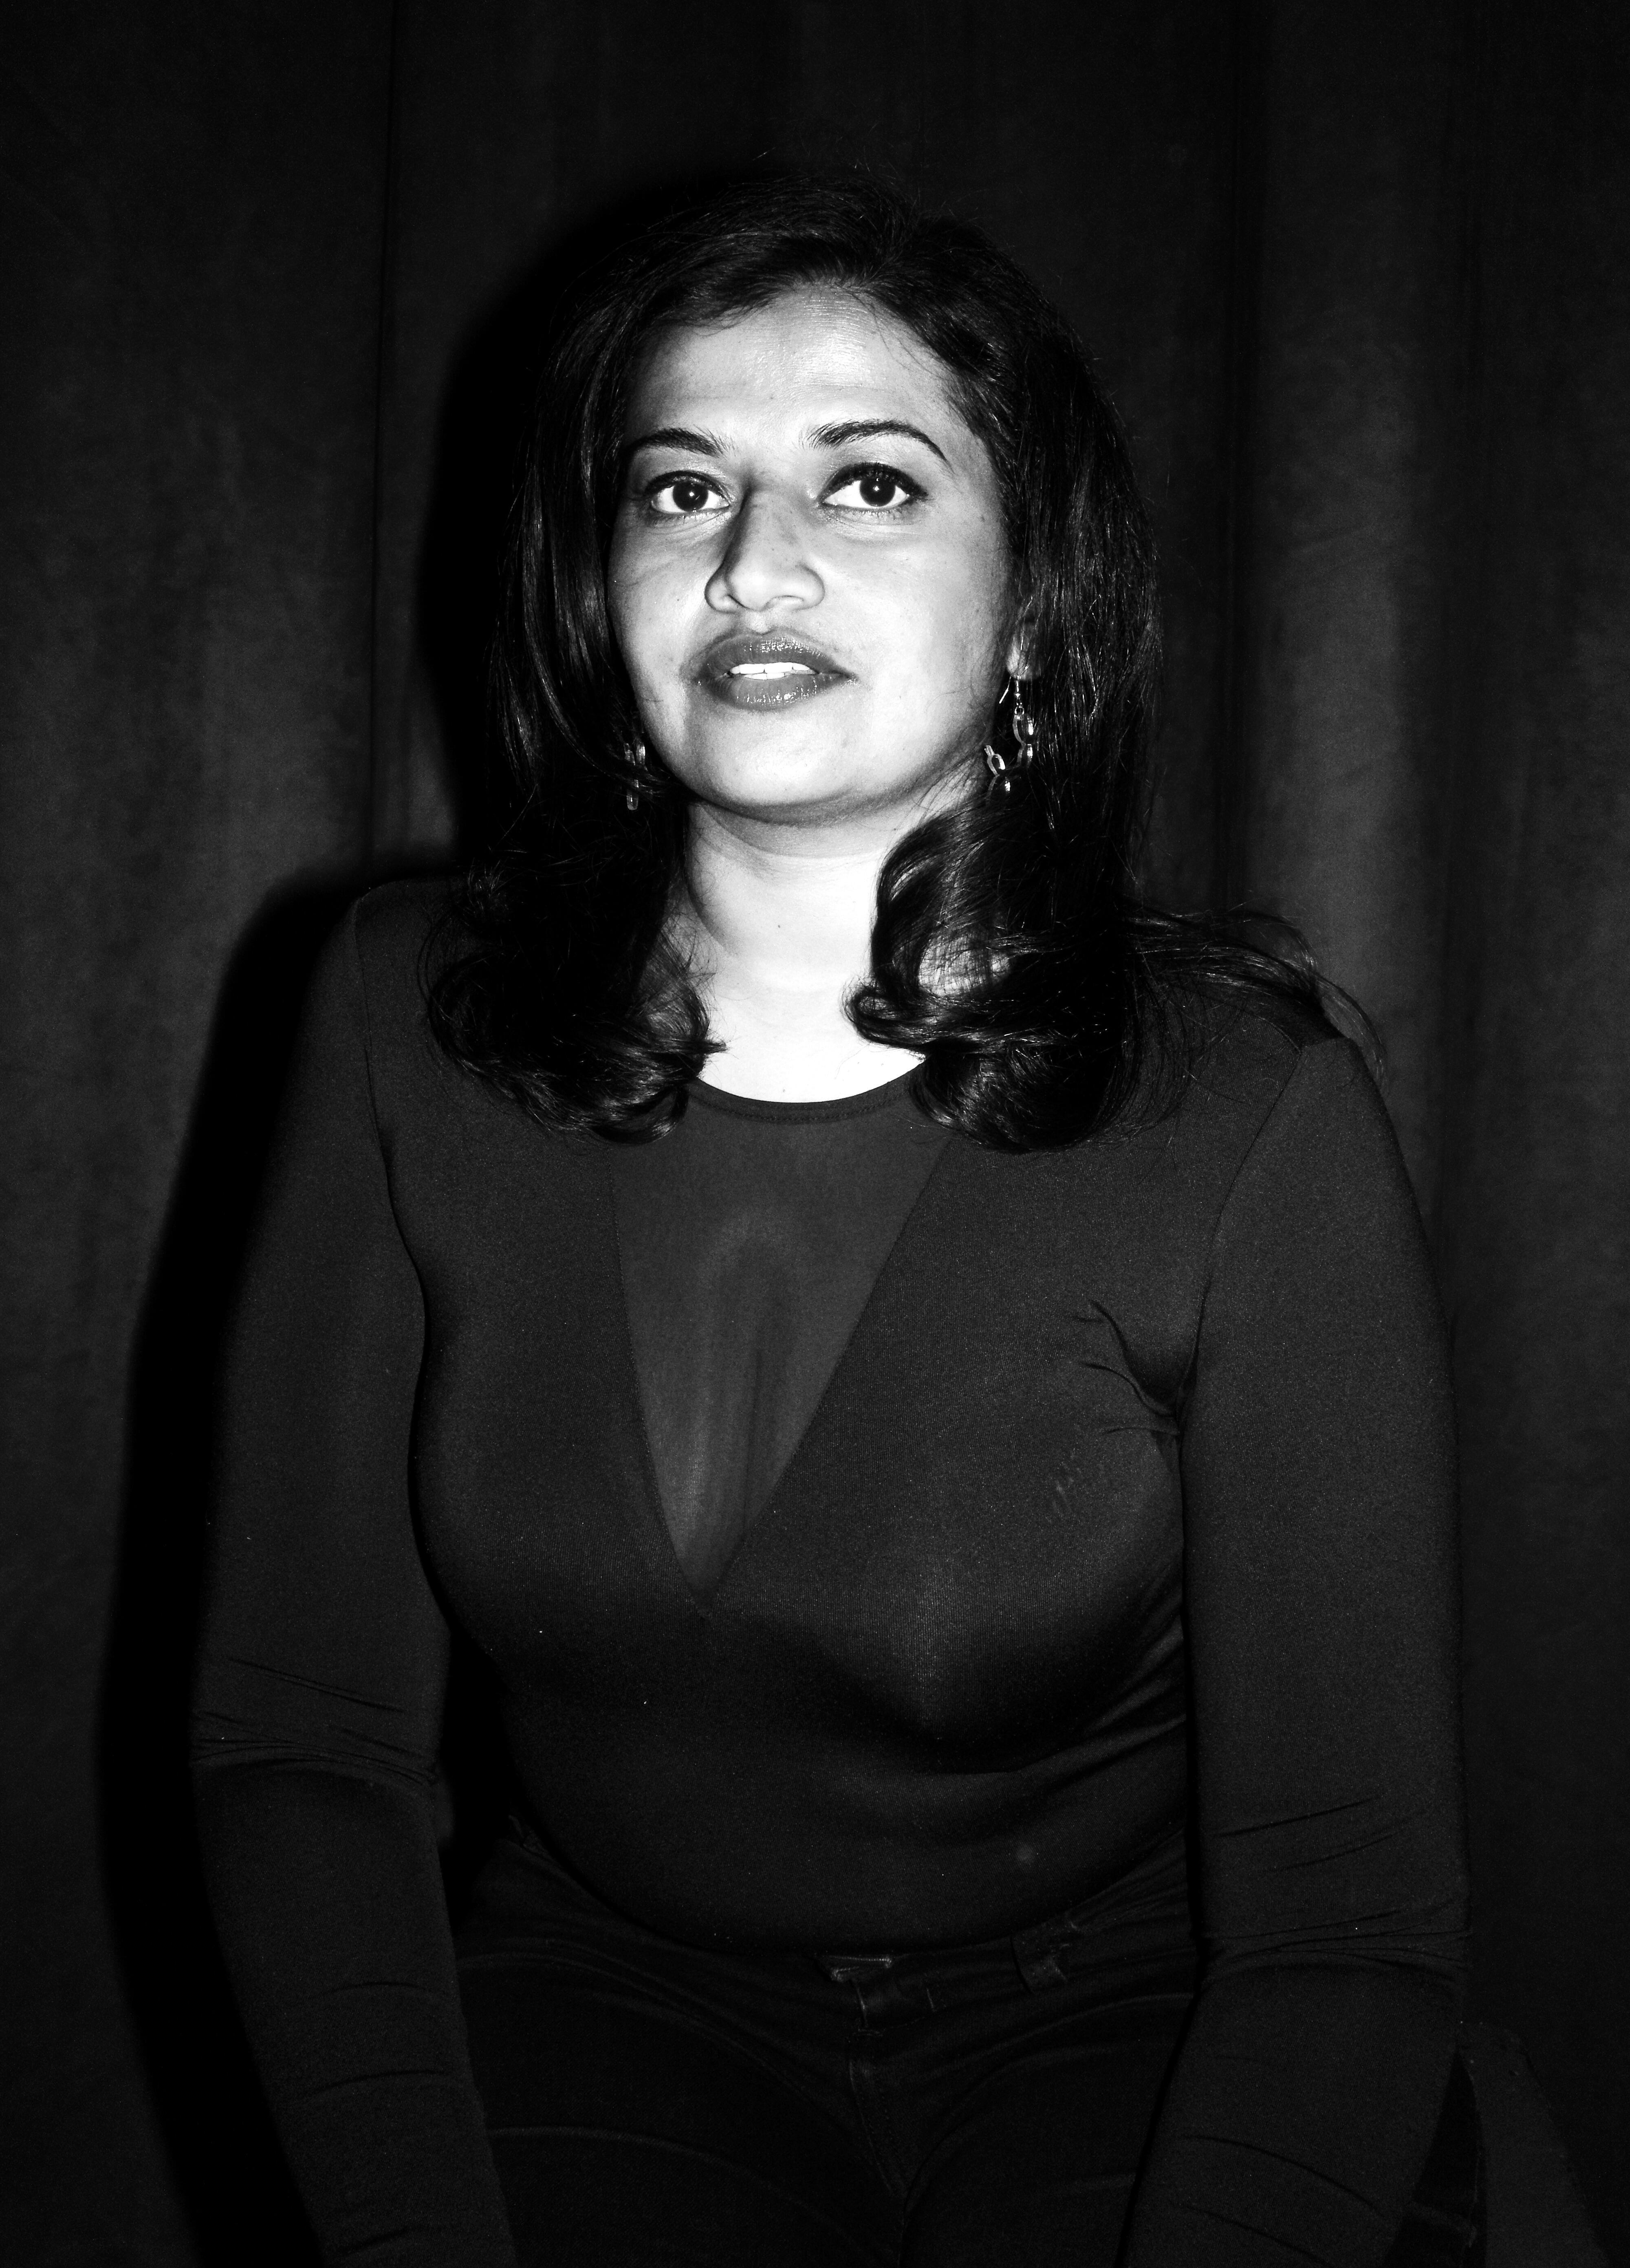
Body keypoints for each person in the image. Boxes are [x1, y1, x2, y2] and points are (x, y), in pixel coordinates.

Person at [191, 179, 1475, 2268]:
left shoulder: (1246, 1112)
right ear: (601, 590)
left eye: (868, 483)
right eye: (680, 486)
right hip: (600, 2007)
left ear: (1035, 608)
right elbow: (301, 1746)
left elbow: (1348, 1914)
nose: (752, 561)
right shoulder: (393, 1020)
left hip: (1143, 2032)